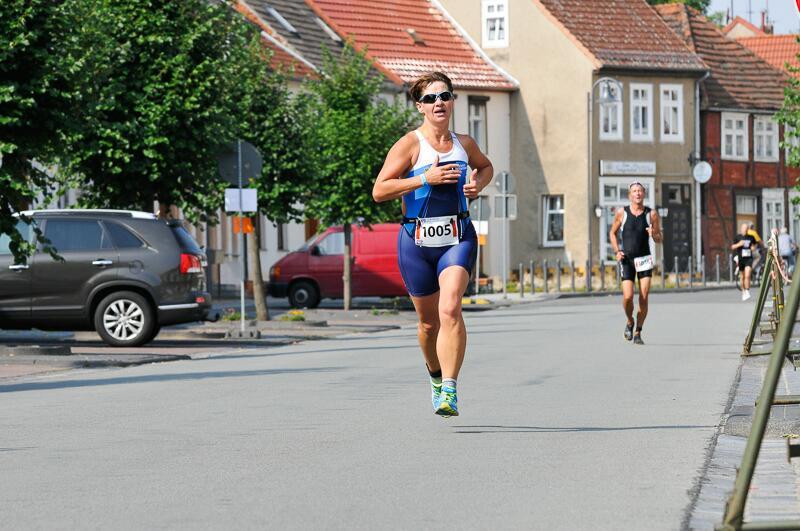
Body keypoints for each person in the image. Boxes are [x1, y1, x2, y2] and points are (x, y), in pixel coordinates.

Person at [372, 72, 493, 417]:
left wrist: (478, 185)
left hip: (458, 236)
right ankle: (436, 375)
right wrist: (425, 178)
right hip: (416, 241)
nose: (438, 103)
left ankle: (450, 390)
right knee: (428, 324)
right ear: (420, 106)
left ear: (452, 101)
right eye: (430, 98)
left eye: (444, 96)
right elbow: (380, 190)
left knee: (450, 308)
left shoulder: (464, 144)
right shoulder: (410, 145)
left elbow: (485, 167)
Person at [608, 182, 663, 345]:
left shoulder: (651, 214)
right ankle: (630, 321)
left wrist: (653, 234)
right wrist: (617, 251)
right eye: (634, 191)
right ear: (630, 195)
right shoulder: (622, 213)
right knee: (628, 297)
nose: (637, 193)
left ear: (643, 194)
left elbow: (659, 239)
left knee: (644, 297)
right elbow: (612, 233)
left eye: (640, 191)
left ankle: (638, 331)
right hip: (627, 260)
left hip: (644, 259)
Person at [731, 223, 757, 301]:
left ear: (747, 229)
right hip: (741, 259)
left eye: (746, 229)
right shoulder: (737, 237)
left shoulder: (751, 237)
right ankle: (743, 292)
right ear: (741, 229)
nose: (745, 230)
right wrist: (739, 244)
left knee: (747, 275)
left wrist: (753, 248)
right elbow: (733, 247)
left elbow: (754, 246)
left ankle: (747, 290)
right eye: (744, 229)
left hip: (749, 258)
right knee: (742, 276)